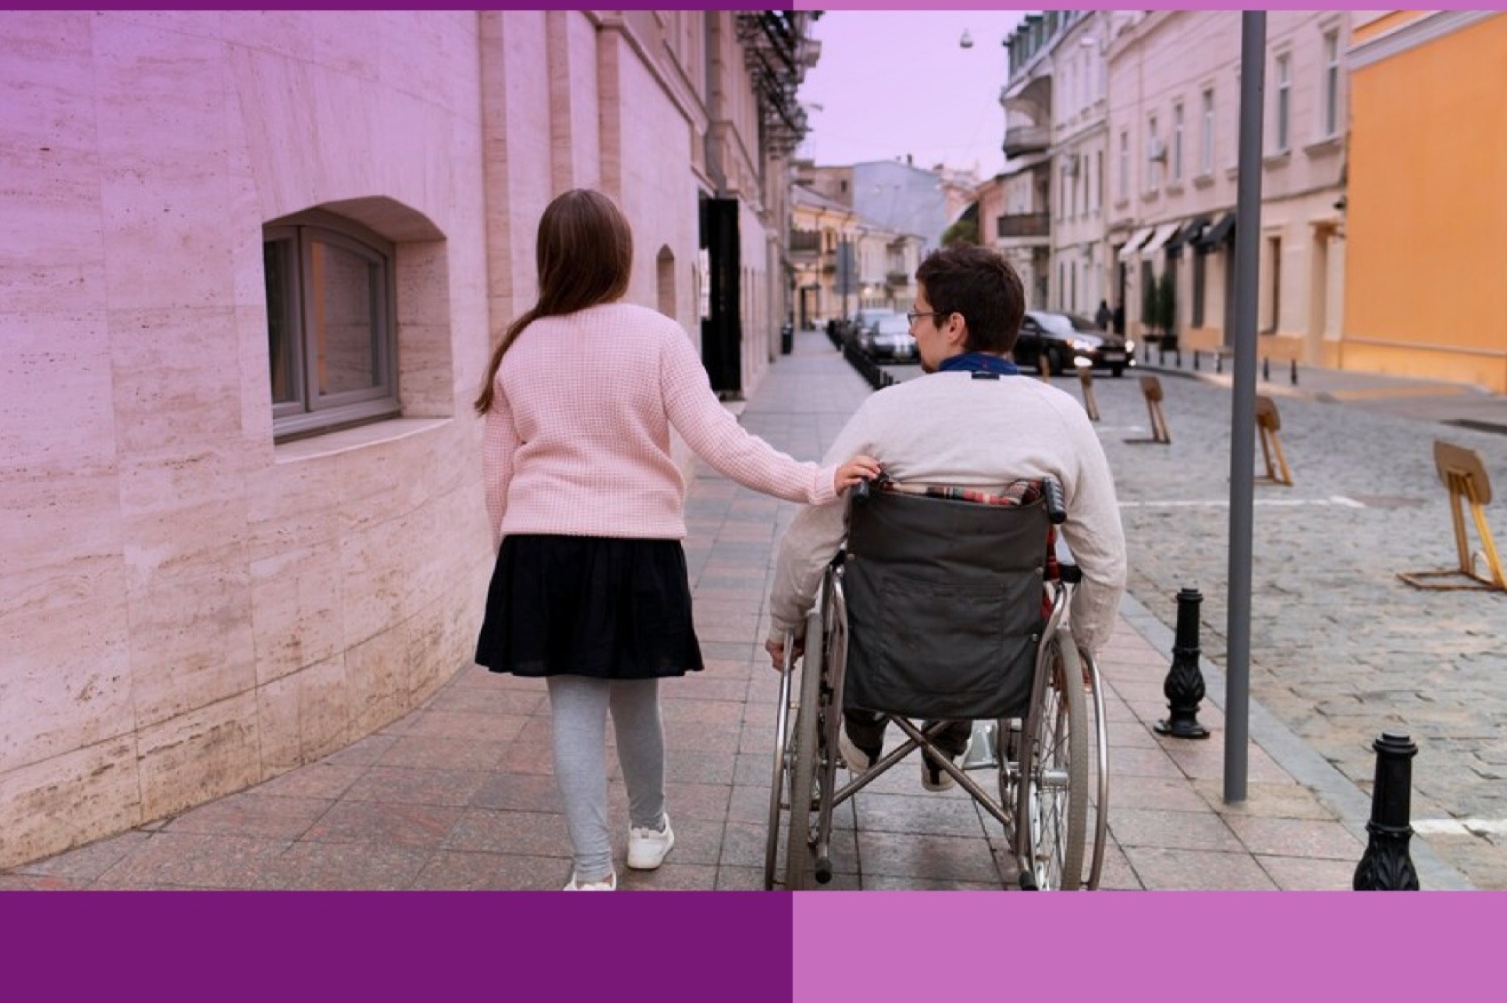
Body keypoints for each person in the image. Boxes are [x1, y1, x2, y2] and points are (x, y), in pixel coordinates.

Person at [475, 188, 880, 890]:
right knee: (636, 696)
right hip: (636, 544)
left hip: (539, 546)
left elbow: (495, 476)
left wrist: (510, 558)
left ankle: (590, 872)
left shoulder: (518, 346)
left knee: (572, 703)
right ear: (619, 256)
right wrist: (816, 481)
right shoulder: (655, 336)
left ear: (549, 258)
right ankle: (647, 828)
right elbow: (721, 439)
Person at [765, 243, 1126, 789]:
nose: (912, 330)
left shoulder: (886, 413)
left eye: (918, 315)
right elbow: (1107, 563)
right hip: (1000, 657)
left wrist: (785, 623)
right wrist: (1084, 645)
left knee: (866, 588)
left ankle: (861, 726)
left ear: (953, 326)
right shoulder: (1061, 418)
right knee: (990, 602)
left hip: (882, 648)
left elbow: (808, 540)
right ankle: (951, 731)